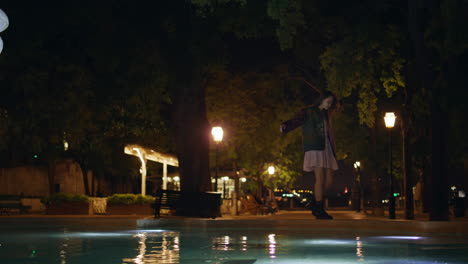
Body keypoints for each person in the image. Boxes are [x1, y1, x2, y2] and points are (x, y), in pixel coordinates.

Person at [280, 92, 338, 219]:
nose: (329, 105)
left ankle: (313, 203)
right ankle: (319, 209)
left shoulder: (325, 114)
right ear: (322, 100)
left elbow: (329, 131)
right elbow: (297, 120)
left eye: (331, 103)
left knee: (329, 180)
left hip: (326, 147)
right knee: (320, 178)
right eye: (328, 102)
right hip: (315, 146)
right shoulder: (309, 111)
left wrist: (333, 148)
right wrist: (285, 126)